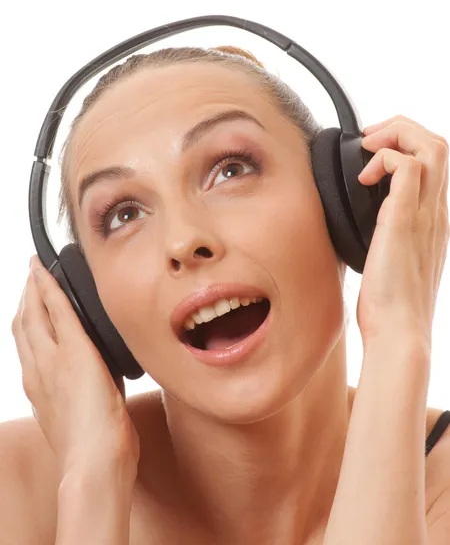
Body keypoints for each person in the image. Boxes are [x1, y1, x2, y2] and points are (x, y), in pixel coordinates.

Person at [2, 45, 449, 544]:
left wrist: (400, 339)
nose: (183, 241)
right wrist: (92, 478)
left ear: (344, 202)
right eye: (124, 214)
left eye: (231, 170)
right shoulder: (14, 491)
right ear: (86, 303)